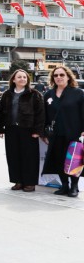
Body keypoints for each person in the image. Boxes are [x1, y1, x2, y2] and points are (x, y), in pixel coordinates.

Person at [0, 69, 44, 192]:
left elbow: (40, 114)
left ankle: (30, 182)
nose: (22, 79)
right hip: (11, 129)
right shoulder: (7, 94)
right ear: (13, 79)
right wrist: (0, 128)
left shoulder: (34, 94)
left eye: (24, 77)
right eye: (19, 77)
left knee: (29, 157)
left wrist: (37, 131)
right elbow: (2, 112)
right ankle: (18, 181)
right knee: (13, 156)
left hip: (28, 130)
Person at [42, 65, 84, 197]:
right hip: (55, 134)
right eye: (56, 75)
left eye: (61, 75)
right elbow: (45, 115)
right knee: (59, 160)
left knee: (73, 160)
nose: (59, 77)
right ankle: (64, 186)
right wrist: (44, 132)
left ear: (68, 76)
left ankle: (74, 187)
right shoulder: (48, 94)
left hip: (72, 132)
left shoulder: (77, 93)